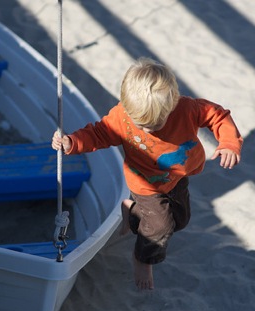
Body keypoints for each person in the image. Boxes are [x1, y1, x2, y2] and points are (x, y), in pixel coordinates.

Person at [52, 57, 243, 290]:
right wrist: (72, 143)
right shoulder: (122, 118)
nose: (146, 130)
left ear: (172, 104)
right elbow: (99, 133)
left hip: (177, 177)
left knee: (179, 221)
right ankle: (142, 259)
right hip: (144, 184)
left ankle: (131, 210)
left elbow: (218, 116)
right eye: (140, 124)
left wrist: (229, 143)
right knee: (160, 227)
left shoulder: (187, 109)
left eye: (154, 125)